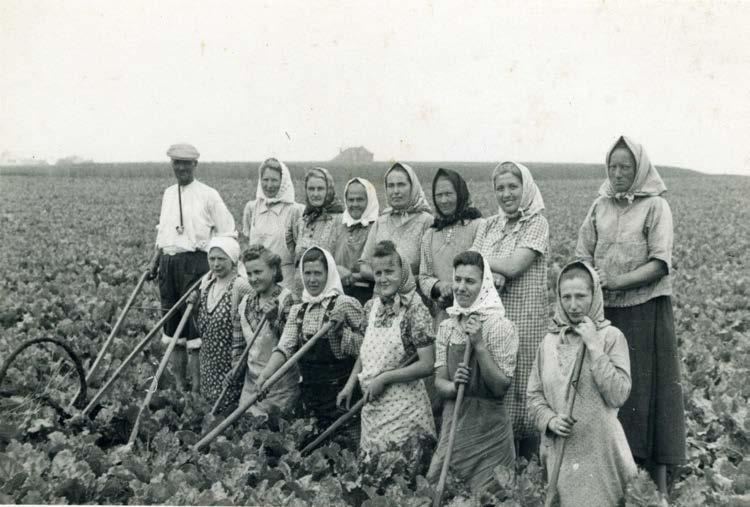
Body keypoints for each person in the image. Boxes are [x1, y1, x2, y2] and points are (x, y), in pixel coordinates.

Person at [575, 135, 686, 496]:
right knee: (609, 389)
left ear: (639, 169)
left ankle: (656, 485)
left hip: (645, 311)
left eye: (625, 167)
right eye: (613, 167)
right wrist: (591, 283)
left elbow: (659, 262)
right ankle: (614, 475)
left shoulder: (655, 207)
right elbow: (583, 254)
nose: (618, 173)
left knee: (648, 392)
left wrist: (617, 281)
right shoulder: (599, 206)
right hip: (608, 314)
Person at [527, 261, 636, 507]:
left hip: (601, 452)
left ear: (594, 295)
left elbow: (618, 395)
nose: (573, 305)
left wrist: (594, 346)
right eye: (566, 297)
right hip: (561, 452)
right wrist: (550, 421)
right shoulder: (548, 341)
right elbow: (534, 396)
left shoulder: (611, 337)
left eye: (581, 296)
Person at [470, 161, 548, 458]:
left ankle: (529, 468)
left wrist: (488, 266)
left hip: (524, 318)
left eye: (513, 187)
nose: (506, 194)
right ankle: (499, 462)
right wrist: (491, 271)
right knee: (494, 382)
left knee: (524, 389)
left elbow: (515, 266)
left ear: (525, 187)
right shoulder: (488, 224)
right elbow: (470, 261)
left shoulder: (536, 223)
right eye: (500, 188)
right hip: (492, 317)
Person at [427, 251, 518, 495]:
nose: (461, 287)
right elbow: (439, 383)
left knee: (489, 497)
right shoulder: (447, 326)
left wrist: (479, 345)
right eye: (457, 280)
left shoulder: (499, 326)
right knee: (440, 492)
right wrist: (454, 387)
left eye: (470, 281)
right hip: (454, 424)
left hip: (489, 430)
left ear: (484, 284)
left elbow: (501, 387)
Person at [147, 143, 237, 392]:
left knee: (194, 329)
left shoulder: (209, 195)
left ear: (195, 165)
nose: (182, 168)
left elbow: (228, 230)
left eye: (186, 163)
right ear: (172, 165)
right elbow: (163, 232)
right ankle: (179, 387)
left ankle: (196, 389)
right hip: (168, 264)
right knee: (173, 326)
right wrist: (154, 260)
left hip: (195, 264)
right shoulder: (167, 194)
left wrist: (218, 264)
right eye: (177, 163)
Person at [337, 240, 436, 454]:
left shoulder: (415, 310)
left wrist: (385, 378)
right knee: (372, 477)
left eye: (389, 271)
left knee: (398, 474)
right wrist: (349, 385)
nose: (383, 279)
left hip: (404, 408)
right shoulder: (371, 307)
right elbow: (366, 352)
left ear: (403, 271)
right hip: (373, 408)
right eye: (378, 273)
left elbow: (427, 365)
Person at [259, 246, 364, 445]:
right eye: (307, 273)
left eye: (318, 273)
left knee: (348, 448)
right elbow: (285, 348)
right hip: (311, 394)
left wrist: (342, 332)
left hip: (341, 393)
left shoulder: (345, 304)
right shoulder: (298, 310)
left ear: (329, 273)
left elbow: (367, 350)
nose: (312, 280)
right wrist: (266, 377)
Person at [232, 244, 299, 418]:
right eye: (249, 274)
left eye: (258, 272)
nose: (253, 278)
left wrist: (273, 319)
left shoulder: (287, 300)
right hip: (251, 386)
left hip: (280, 388)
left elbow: (292, 344)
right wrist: (234, 371)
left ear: (273, 270)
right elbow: (239, 347)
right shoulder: (245, 303)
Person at [418, 168, 483, 326]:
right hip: (442, 313)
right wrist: (441, 287)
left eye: (449, 194)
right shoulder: (430, 234)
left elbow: (482, 268)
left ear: (460, 194)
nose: (444, 200)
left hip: (474, 314)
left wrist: (456, 289)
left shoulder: (479, 226)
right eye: (439, 195)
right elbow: (424, 276)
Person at [194, 237, 252, 413]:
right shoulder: (207, 284)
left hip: (230, 361)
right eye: (212, 259)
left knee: (227, 411)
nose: (216, 264)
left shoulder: (240, 285)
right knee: (208, 410)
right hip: (208, 360)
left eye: (221, 259)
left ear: (233, 260)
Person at [359, 162, 433, 279]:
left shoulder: (426, 221)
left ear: (413, 187)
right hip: (380, 294)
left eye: (401, 185)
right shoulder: (380, 222)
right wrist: (383, 280)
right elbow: (364, 265)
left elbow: (429, 274)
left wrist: (397, 281)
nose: (395, 191)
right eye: (391, 185)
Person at [241, 158, 304, 290]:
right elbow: (248, 243)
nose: (269, 185)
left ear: (283, 182)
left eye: (274, 180)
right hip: (255, 279)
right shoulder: (252, 207)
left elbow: (300, 250)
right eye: (265, 180)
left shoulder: (295, 210)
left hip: (283, 279)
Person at [286, 167, 344, 298]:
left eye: (320, 189)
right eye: (311, 189)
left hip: (326, 294)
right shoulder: (303, 220)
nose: (315, 194)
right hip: (300, 292)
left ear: (328, 190)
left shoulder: (339, 219)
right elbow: (295, 251)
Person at [333, 178, 379, 305]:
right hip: (339, 292)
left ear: (369, 200)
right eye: (351, 200)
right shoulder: (338, 225)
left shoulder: (378, 226)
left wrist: (354, 276)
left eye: (360, 199)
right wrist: (336, 269)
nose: (354, 204)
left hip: (368, 294)